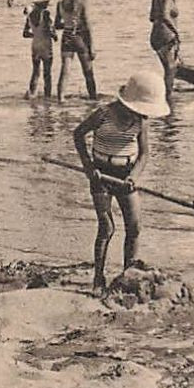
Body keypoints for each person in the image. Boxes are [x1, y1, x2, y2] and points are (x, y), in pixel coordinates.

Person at [72, 71, 169, 295]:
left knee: (134, 226)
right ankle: (98, 278)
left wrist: (134, 177)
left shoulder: (141, 121)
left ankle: (128, 275)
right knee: (107, 227)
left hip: (126, 174)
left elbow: (144, 154)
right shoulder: (103, 114)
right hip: (101, 174)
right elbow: (78, 135)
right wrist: (88, 166)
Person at [54, 0, 97, 99]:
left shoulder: (61, 3)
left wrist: (68, 24)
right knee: (88, 71)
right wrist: (92, 46)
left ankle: (60, 98)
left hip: (66, 36)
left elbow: (57, 25)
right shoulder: (83, 3)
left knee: (65, 70)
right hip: (79, 37)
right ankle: (93, 98)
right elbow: (88, 25)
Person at [148, 0, 183, 101]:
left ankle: (165, 97)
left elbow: (152, 17)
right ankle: (167, 100)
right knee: (170, 69)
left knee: (168, 69)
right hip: (165, 36)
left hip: (156, 34)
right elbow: (165, 15)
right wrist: (175, 32)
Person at [24, 0, 56, 98]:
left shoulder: (30, 15)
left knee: (35, 72)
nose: (48, 3)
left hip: (35, 45)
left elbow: (25, 33)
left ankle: (32, 93)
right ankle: (48, 96)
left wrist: (36, 34)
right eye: (47, 1)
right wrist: (54, 35)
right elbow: (49, 29)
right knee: (47, 73)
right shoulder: (46, 14)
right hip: (46, 46)